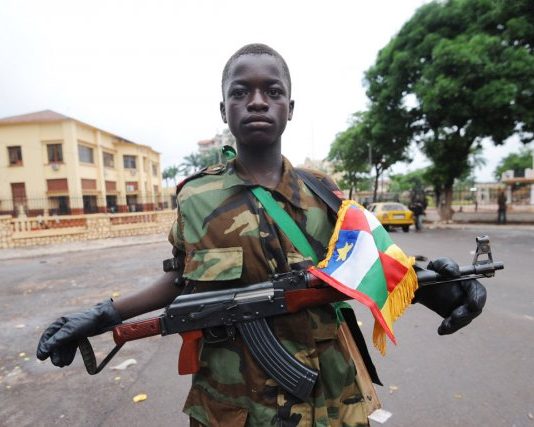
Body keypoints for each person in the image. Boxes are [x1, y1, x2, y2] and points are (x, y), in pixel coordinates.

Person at [37, 44, 487, 427]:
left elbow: (373, 264)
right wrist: (100, 316)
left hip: (328, 393)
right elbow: (180, 280)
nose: (257, 101)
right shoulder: (196, 197)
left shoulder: (323, 191)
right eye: (241, 92)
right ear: (223, 110)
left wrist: (439, 289)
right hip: (233, 400)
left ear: (290, 108)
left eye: (272, 92)